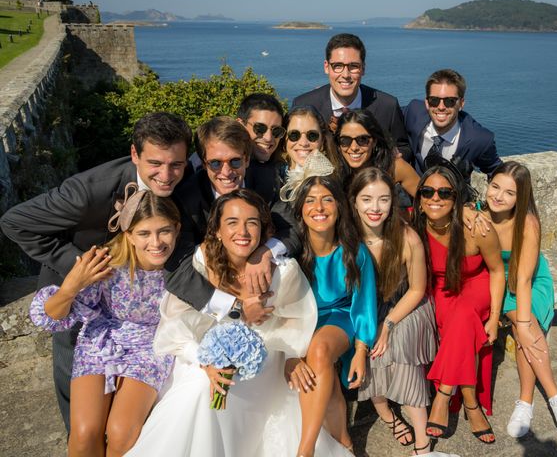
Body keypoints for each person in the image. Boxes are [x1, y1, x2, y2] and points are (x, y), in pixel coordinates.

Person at [0, 112, 199, 432]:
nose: (166, 175)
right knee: (78, 402)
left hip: (140, 302)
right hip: (79, 290)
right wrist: (82, 267)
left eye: (175, 164)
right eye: (155, 164)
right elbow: (15, 223)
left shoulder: (185, 180)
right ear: (135, 154)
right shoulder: (86, 192)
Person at [126, 189, 351, 457]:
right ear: (217, 230)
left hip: (266, 362)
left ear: (263, 230)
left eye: (252, 223)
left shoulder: (283, 270)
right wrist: (205, 361)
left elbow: (296, 316)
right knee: (201, 390)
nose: (242, 231)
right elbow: (173, 329)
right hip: (202, 358)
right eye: (232, 222)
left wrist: (292, 356)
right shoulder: (199, 264)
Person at [29, 186, 181, 456]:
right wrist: (70, 288)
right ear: (129, 235)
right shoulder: (108, 263)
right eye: (144, 233)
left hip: (151, 347)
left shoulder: (183, 267)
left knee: (122, 433)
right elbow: (48, 319)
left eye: (164, 231)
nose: (156, 243)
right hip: (102, 341)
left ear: (177, 229)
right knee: (85, 432)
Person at [484, 161, 557, 437]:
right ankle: (552, 396)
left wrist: (525, 325)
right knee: (523, 326)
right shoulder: (478, 214)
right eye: (495, 187)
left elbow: (524, 280)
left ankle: (533, 400)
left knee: (523, 326)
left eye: (509, 192)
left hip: (529, 280)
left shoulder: (527, 222)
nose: (498, 196)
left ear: (521, 197)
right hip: (496, 282)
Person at [412, 163, 505, 444]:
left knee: (464, 314)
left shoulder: (478, 229)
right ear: (418, 199)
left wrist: (494, 318)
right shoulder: (414, 225)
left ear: (457, 198)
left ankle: (443, 394)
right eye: (427, 191)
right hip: (442, 289)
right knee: (460, 321)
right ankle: (470, 401)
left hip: (476, 286)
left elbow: (498, 271)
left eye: (445, 193)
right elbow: (397, 169)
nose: (435, 198)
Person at [350, 168, 438, 457]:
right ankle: (387, 414)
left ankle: (422, 441)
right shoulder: (348, 240)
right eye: (367, 199)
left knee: (399, 345)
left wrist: (388, 324)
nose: (375, 208)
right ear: (354, 201)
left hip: (406, 306)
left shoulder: (407, 237)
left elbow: (417, 290)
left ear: (393, 202)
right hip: (367, 309)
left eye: (383, 200)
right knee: (371, 347)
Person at [175, 116, 299, 315]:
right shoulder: (188, 198)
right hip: (207, 301)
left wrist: (265, 252)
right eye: (215, 163)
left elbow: (292, 229)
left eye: (235, 161)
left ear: (247, 159)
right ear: (203, 163)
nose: (226, 172)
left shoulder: (267, 181)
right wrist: (234, 306)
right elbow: (177, 270)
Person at [291, 173, 378, 457]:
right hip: (300, 320)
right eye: (310, 201)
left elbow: (364, 303)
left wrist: (361, 350)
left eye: (327, 199)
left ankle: (306, 450)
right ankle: (344, 440)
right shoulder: (291, 252)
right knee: (322, 378)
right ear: (300, 210)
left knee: (319, 351)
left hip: (340, 316)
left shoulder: (354, 251)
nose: (319, 207)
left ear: (339, 206)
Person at [292, 33, 412, 162]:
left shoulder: (387, 106)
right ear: (326, 67)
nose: (345, 75)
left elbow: (403, 147)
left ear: (363, 68)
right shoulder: (304, 104)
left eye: (353, 66)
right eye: (337, 66)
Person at [404, 69, 502, 179]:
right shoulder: (413, 112)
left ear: (461, 103)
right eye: (434, 100)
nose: (441, 107)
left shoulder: (480, 139)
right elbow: (388, 116)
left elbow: (497, 172)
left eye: (449, 101)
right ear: (427, 102)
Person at [335, 109, 420, 199]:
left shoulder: (395, 168)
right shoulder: (335, 173)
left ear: (374, 141)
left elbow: (427, 201)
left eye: (363, 139)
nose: (354, 147)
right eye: (345, 140)